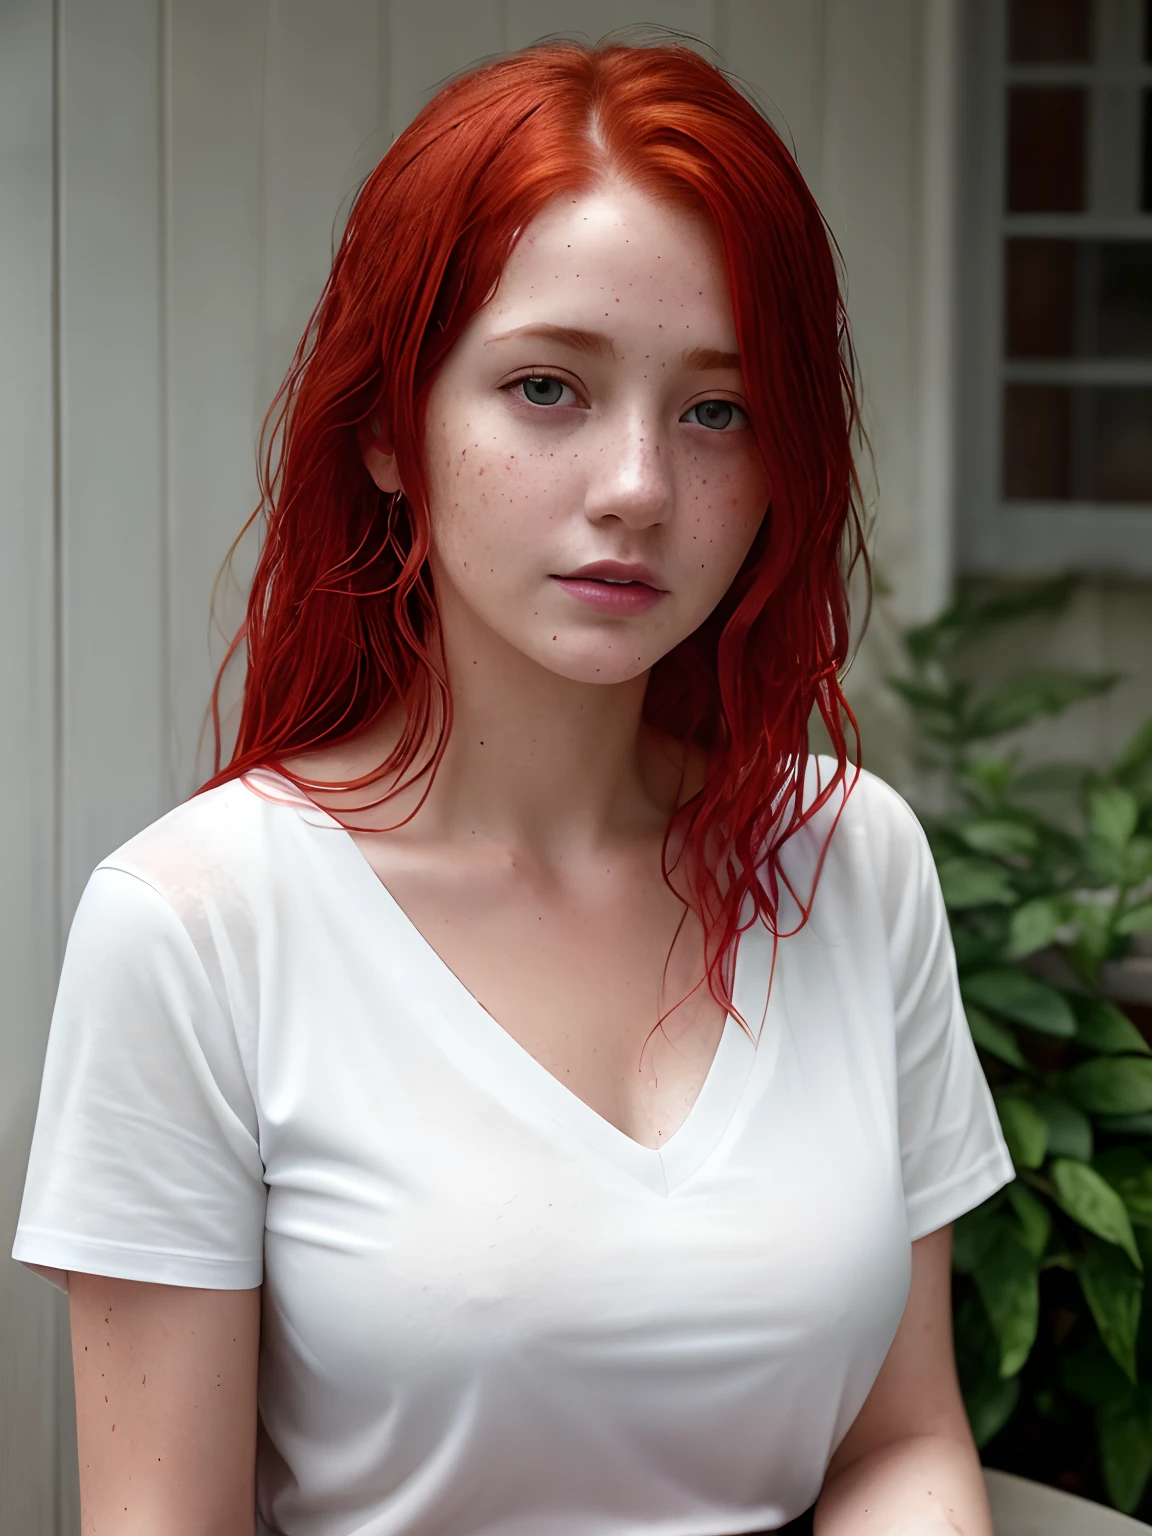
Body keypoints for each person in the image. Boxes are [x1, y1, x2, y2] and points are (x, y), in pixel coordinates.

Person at [12, 35, 1014, 1536]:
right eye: (547, 388)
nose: (637, 486)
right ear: (385, 429)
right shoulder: (195, 924)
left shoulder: (850, 861)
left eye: (718, 411)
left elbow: (899, 1443)